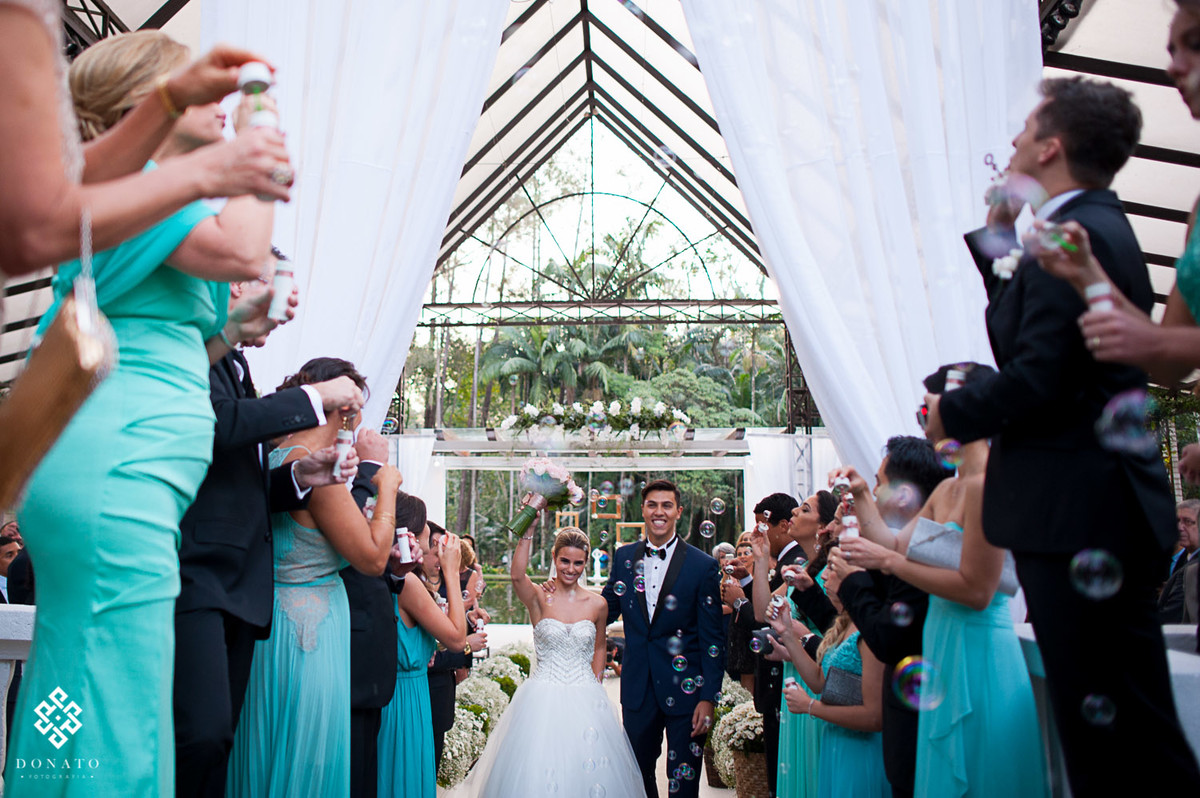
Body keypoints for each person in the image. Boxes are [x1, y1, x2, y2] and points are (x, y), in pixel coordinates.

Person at [7, 30, 289, 797]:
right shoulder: (152, 186)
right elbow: (241, 252)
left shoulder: (132, 196)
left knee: (76, 665)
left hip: (111, 461)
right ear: (144, 106)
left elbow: (160, 347)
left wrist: (231, 331)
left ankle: (45, 781)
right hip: (116, 470)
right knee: (124, 680)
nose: (224, 104)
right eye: (197, 88)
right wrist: (262, 150)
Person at [923, 76, 1200, 792]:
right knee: (1106, 736)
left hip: (1084, 511)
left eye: (1024, 130)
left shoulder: (1085, 234)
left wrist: (956, 413)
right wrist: (997, 244)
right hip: (1083, 511)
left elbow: (1039, 375)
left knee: (1123, 742)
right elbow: (1035, 339)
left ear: (1050, 146)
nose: (1011, 142)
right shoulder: (1082, 227)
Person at [173, 261, 368, 798]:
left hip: (239, 589)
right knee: (202, 735)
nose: (289, 306)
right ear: (235, 284)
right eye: (273, 280)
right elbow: (217, 426)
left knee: (221, 742)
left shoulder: (233, 365)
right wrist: (313, 398)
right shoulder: (188, 348)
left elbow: (238, 475)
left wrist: (302, 475)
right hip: (198, 574)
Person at [835, 366, 1048, 797]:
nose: (921, 414)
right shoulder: (949, 489)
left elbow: (976, 589)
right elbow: (895, 542)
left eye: (926, 405)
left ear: (962, 405)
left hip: (979, 650)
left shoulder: (989, 486)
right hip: (944, 645)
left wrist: (888, 563)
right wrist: (860, 492)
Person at [0, 1, 289, 280]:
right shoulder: (138, 186)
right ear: (138, 99)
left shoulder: (135, 184)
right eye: (196, 93)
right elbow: (240, 253)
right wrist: (256, 132)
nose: (217, 99)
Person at [226, 358, 401, 797]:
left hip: (270, 628)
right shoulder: (315, 469)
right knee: (308, 756)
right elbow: (372, 558)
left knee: (268, 749)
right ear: (345, 410)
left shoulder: (274, 454)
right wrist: (387, 485)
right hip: (311, 635)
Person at [448, 525, 644, 796]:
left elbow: (599, 647)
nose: (571, 569)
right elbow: (517, 576)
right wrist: (528, 528)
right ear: (554, 557)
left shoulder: (597, 604)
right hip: (541, 698)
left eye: (578, 562)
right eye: (564, 560)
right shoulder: (540, 597)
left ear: (586, 563)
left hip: (586, 697)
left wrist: (596, 684)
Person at [824, 436, 951, 798]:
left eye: (879, 482)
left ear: (904, 491)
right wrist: (862, 493)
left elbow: (888, 638)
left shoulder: (926, 553)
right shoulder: (910, 542)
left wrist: (852, 581)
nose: (875, 491)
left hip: (917, 725)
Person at [602, 480, 724, 798]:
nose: (659, 512)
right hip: (638, 688)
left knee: (683, 782)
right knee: (636, 778)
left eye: (666, 505)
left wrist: (708, 698)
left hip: (688, 694)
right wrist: (561, 594)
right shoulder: (623, 557)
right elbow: (605, 609)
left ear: (678, 512)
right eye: (652, 505)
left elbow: (713, 639)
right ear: (643, 510)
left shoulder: (704, 566)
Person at [768, 560, 889, 798]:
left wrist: (811, 706)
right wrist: (787, 635)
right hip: (835, 743)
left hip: (861, 751)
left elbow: (875, 717)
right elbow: (820, 682)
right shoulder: (845, 624)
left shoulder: (869, 630)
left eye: (832, 569)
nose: (823, 577)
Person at [377, 525, 469, 798]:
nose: (433, 550)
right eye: (429, 542)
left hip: (405, 696)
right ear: (408, 541)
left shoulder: (394, 579)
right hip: (404, 700)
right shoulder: (408, 584)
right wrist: (453, 572)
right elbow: (456, 638)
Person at [1161, 500, 1200, 622]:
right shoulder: (1185, 559)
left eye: (1188, 522)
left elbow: (1172, 615)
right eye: (1177, 521)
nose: (1179, 528)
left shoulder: (1194, 569)